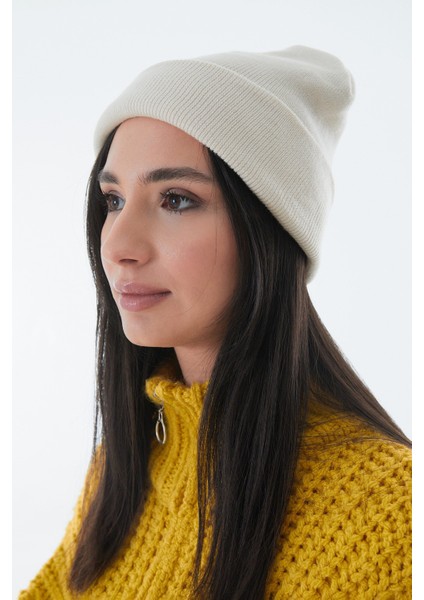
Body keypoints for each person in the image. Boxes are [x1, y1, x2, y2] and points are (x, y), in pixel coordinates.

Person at [20, 46, 412, 599]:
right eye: (113, 200)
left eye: (177, 200)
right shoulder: (127, 466)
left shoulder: (386, 513)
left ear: (269, 231)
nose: (119, 245)